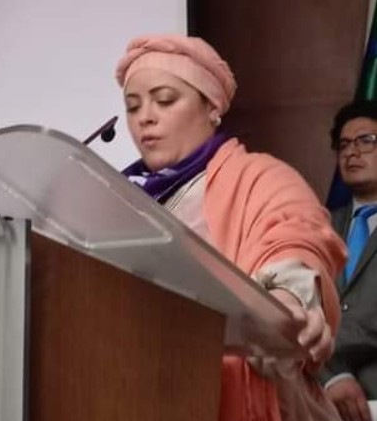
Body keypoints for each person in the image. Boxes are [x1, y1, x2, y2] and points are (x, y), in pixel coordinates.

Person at [115, 34, 347, 421]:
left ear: (212, 108)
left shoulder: (262, 176)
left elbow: (295, 237)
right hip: (143, 393)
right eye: (132, 106)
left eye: (165, 100)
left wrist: (284, 304)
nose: (145, 117)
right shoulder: (119, 197)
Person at [320, 100, 377, 421]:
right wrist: (330, 375)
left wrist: (320, 353)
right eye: (343, 145)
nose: (351, 152)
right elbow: (294, 307)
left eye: (365, 141)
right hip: (313, 396)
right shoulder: (316, 226)